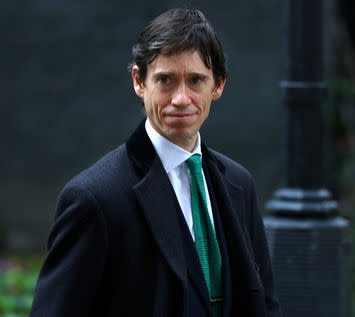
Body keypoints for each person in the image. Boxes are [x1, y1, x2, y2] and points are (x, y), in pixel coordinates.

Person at [30, 8, 280, 317]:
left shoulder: (238, 183)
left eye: (195, 80)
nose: (181, 98)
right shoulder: (94, 197)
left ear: (218, 85)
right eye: (165, 80)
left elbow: (264, 304)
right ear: (139, 81)